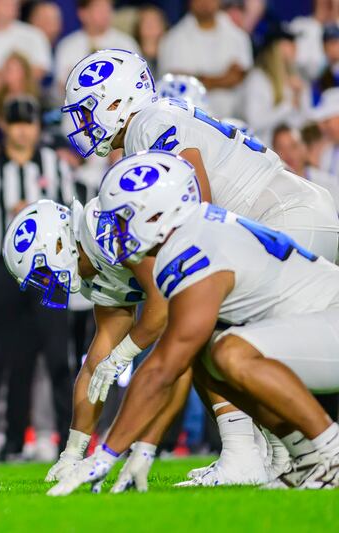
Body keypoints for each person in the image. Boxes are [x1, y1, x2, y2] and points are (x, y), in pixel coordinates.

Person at [62, 48, 339, 485]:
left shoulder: (148, 125)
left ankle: (260, 452)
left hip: (285, 213)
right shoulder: (151, 123)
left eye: (88, 111)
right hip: (289, 211)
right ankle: (284, 454)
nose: (82, 124)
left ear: (118, 102)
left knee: (208, 335)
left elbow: (196, 204)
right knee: (216, 340)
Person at [2, 197, 178, 484]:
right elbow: (96, 362)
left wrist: (122, 355)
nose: (48, 283)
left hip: (229, 260)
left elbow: (162, 305)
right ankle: (247, 450)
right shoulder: (92, 271)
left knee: (199, 351)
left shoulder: (105, 229)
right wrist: (72, 452)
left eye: (42, 272)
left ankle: (243, 447)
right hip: (203, 286)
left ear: (59, 245)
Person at [0, 96, 74, 460]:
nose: (23, 130)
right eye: (16, 122)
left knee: (58, 358)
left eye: (29, 122)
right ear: (5, 126)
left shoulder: (55, 165)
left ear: (38, 127)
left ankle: (74, 442)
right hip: (1, 271)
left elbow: (72, 219)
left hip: (50, 271)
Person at [157, 0, 253, 118]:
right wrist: (224, 78)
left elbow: (238, 76)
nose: (205, 2)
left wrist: (199, 79)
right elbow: (175, 84)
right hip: (188, 123)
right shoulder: (172, 39)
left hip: (234, 122)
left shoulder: (238, 36)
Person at [53, 0, 138, 100]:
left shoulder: (126, 43)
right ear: (83, 13)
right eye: (99, 8)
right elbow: (62, 87)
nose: (105, 13)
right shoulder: (67, 46)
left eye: (108, 7)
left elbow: (136, 81)